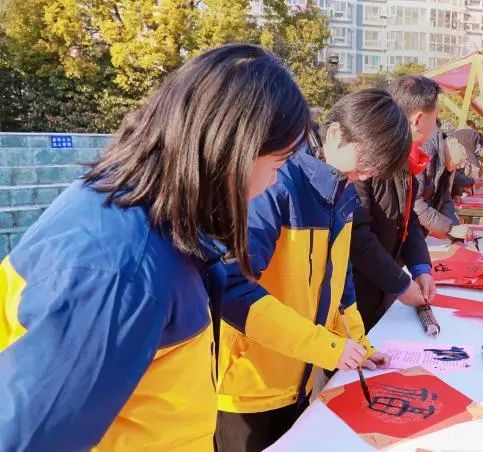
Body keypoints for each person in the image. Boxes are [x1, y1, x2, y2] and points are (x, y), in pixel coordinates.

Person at [0, 45, 309, 451]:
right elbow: (26, 439)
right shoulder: (121, 270)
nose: (274, 182)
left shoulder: (152, 217)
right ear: (232, 151)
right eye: (277, 165)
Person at [214, 89, 410, 451]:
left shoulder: (342, 191)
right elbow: (232, 288)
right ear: (335, 134)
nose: (364, 175)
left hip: (299, 377)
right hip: (248, 384)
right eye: (365, 164)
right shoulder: (275, 182)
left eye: (373, 171)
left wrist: (359, 345)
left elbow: (339, 285)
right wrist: (326, 347)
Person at [351, 75, 439, 331]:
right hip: (356, 294)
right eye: (435, 118)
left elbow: (408, 219)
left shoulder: (407, 160)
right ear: (418, 119)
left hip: (383, 289)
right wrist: (399, 282)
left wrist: (421, 268)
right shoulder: (365, 158)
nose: (435, 126)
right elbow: (356, 232)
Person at [415, 128, 481, 238]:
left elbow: (445, 199)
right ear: (454, 143)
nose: (461, 166)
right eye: (463, 159)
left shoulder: (445, 164)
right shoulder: (426, 151)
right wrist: (450, 228)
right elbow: (415, 203)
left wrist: (456, 233)